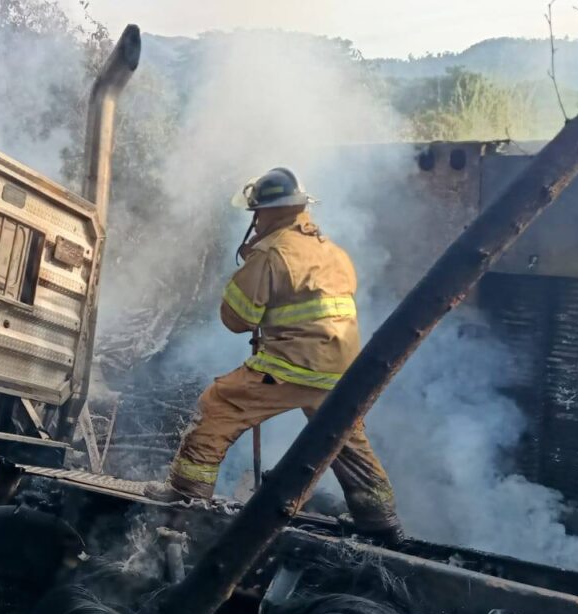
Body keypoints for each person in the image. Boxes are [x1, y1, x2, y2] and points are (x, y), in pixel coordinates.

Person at [144, 167, 404, 544]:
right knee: (344, 436)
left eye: (257, 212)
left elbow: (238, 318)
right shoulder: (332, 252)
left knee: (220, 404)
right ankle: (381, 519)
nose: (254, 219)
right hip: (342, 369)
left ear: (268, 211)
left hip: (293, 365)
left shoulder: (272, 253)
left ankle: (186, 496)